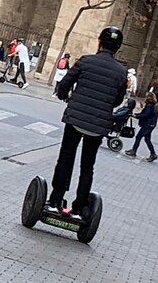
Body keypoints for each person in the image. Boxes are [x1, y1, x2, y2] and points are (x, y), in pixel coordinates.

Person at [46, 26, 127, 221]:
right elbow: (117, 100)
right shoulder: (121, 72)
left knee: (66, 158)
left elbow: (64, 84)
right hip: (98, 125)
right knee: (87, 166)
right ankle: (79, 207)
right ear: (117, 48)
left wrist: (65, 96)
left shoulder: (85, 61)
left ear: (99, 42)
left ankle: (56, 200)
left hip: (75, 119)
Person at [125, 92, 158, 162]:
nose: (145, 97)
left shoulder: (149, 106)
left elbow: (146, 115)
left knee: (138, 137)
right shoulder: (152, 105)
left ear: (149, 97)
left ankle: (134, 151)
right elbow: (145, 114)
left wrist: (136, 116)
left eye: (146, 96)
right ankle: (153, 154)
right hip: (151, 124)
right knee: (147, 139)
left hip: (148, 124)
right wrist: (137, 114)